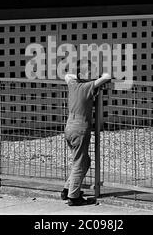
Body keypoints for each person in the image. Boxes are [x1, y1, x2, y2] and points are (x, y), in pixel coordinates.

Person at [61, 59, 111, 206]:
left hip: (69, 128)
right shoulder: (86, 87)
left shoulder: (73, 84)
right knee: (80, 162)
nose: (92, 74)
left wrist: (81, 75)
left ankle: (67, 189)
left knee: (84, 161)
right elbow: (107, 77)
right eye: (90, 72)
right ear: (82, 74)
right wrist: (99, 76)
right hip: (80, 129)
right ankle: (73, 197)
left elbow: (68, 76)